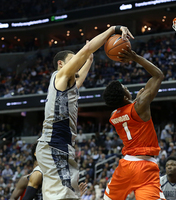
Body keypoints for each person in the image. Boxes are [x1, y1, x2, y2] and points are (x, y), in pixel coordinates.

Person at [36, 25, 133, 200]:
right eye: (74, 60)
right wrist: (113, 29)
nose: (77, 63)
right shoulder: (60, 76)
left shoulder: (67, 86)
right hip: (54, 143)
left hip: (62, 145)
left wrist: (88, 61)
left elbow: (79, 80)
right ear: (61, 64)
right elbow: (87, 48)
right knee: (62, 196)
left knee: (70, 196)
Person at [102, 47, 165, 200]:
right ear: (124, 97)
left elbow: (126, 112)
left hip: (126, 165)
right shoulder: (140, 105)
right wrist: (136, 57)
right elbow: (158, 76)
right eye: (125, 88)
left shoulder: (113, 116)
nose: (127, 88)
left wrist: (135, 101)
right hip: (145, 167)